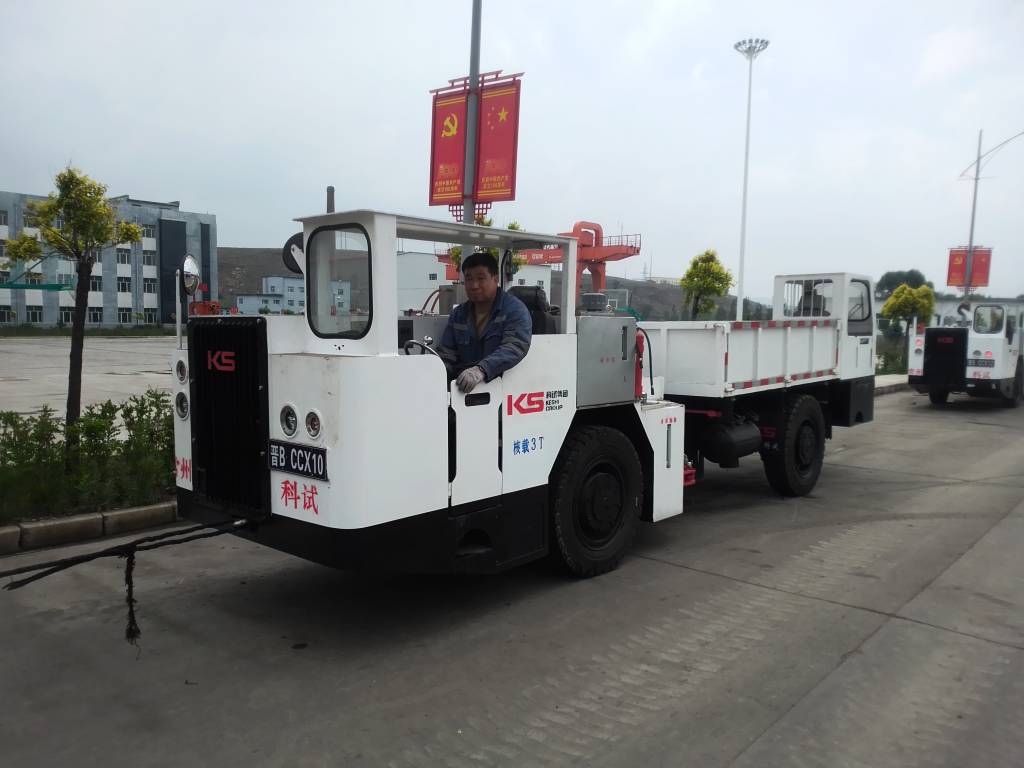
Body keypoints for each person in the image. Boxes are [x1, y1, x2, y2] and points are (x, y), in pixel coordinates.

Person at [437, 250, 532, 392]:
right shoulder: (459, 314)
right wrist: (433, 373)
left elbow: (514, 346)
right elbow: (447, 353)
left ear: (495, 279)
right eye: (469, 279)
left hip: (502, 389)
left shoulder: (514, 310)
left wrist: (481, 370)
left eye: (481, 278)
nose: (474, 285)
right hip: (463, 389)